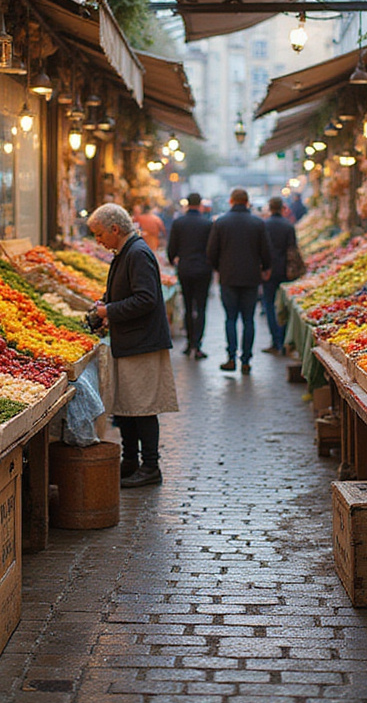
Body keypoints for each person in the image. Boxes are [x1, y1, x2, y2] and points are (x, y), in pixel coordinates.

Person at [88, 202, 178, 488]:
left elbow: (147, 299)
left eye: (100, 234)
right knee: (126, 406)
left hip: (142, 343)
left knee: (142, 408)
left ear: (115, 229)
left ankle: (150, 466)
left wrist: (108, 312)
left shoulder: (138, 254)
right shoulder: (125, 252)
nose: (97, 241)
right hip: (130, 340)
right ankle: (130, 461)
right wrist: (106, 307)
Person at [207, 187, 270, 375]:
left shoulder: (221, 223)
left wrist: (219, 268)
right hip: (251, 277)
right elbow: (266, 250)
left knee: (231, 319)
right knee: (249, 319)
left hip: (228, 277)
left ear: (231, 201)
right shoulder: (258, 223)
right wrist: (265, 268)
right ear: (247, 202)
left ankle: (231, 357)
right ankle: (246, 360)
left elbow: (211, 252)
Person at [166, 192, 213, 359]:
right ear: (200, 204)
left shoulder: (179, 223)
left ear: (187, 204)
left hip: (185, 269)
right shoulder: (207, 224)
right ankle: (198, 344)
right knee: (201, 308)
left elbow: (172, 248)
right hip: (203, 270)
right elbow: (212, 248)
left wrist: (173, 260)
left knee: (187, 305)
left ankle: (188, 343)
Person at [261, 195, 298, 354]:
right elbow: (293, 250)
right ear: (282, 208)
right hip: (285, 271)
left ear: (270, 208)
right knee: (284, 305)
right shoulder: (288, 226)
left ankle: (275, 341)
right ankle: (284, 340)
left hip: (268, 271)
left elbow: (261, 249)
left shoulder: (264, 225)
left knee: (269, 304)